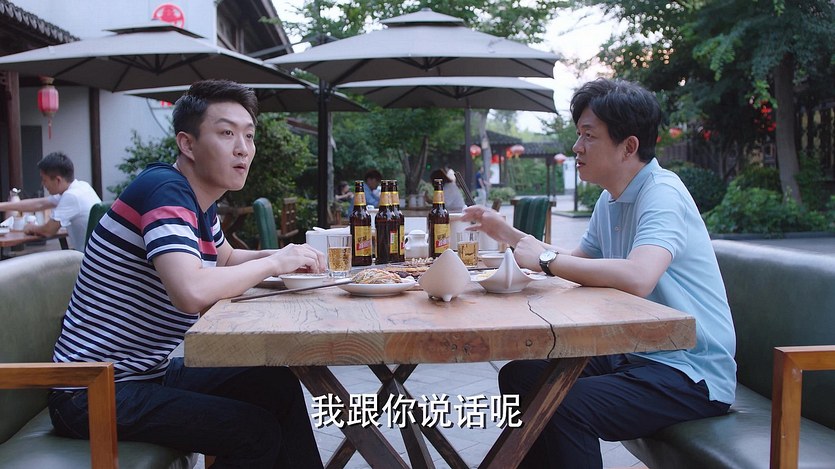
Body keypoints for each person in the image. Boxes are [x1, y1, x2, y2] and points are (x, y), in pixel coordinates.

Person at [48, 80, 326, 468]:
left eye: (249, 135)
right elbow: (191, 291)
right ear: (188, 144)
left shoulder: (198, 201)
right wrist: (275, 263)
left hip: (146, 372)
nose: (243, 148)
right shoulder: (164, 191)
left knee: (275, 384)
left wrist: (286, 255)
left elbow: (225, 260)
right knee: (254, 432)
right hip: (91, 391)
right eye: (227, 133)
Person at [461, 78, 735, 468]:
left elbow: (639, 276)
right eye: (579, 134)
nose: (577, 146)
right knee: (521, 379)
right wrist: (508, 234)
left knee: (562, 407)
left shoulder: (662, 193)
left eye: (588, 135)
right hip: (636, 353)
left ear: (629, 146)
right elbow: (573, 262)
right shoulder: (610, 199)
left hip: (691, 371)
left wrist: (544, 258)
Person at [0, 152, 101, 251]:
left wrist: (31, 227)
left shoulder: (71, 196)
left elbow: (48, 230)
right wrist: (2, 206)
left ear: (58, 180)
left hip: (88, 257)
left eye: (44, 180)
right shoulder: (82, 186)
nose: (43, 184)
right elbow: (40, 204)